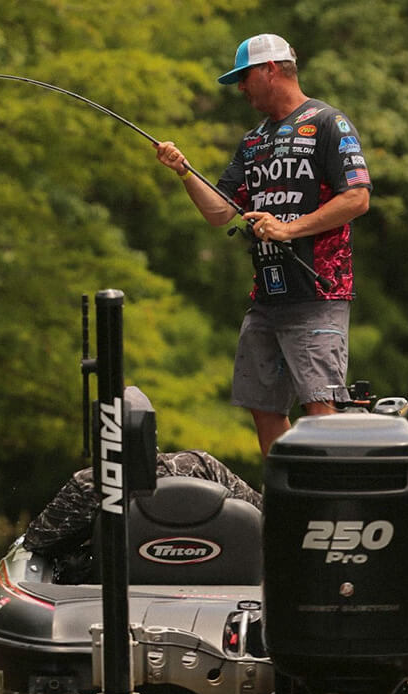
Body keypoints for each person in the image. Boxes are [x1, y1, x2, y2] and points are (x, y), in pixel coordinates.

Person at [154, 34, 372, 456]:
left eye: (244, 76)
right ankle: (284, 506)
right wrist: (183, 171)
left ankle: (326, 507)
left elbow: (358, 198)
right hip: (267, 296)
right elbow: (220, 212)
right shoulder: (253, 141)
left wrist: (289, 229)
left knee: (321, 407)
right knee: (262, 406)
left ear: (270, 69)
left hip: (318, 294)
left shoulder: (329, 123)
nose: (240, 87)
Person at [22, 450, 260, 582]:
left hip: (119, 605)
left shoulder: (91, 483)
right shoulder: (203, 466)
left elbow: (38, 541)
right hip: (221, 597)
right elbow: (263, 515)